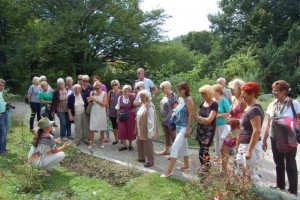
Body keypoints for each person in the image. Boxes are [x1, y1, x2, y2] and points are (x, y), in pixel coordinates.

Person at [263, 80, 299, 195]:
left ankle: (292, 190)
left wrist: (291, 125)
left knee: (290, 164)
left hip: (289, 138)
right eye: (273, 90)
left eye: (276, 90)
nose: (273, 92)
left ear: (284, 91)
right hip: (275, 137)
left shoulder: (294, 104)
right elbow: (268, 124)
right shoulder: (272, 104)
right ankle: (280, 184)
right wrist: (264, 140)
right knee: (278, 162)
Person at [161, 82, 194, 178]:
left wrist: (188, 128)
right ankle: (186, 165)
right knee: (184, 146)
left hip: (184, 127)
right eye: (178, 89)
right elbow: (178, 110)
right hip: (178, 126)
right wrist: (174, 114)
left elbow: (191, 115)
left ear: (185, 89)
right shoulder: (181, 99)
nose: (179, 91)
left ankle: (169, 171)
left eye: (181, 89)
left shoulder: (189, 100)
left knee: (175, 147)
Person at [237, 82, 264, 185]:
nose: (242, 95)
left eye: (244, 93)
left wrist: (249, 151)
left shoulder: (255, 110)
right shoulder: (248, 107)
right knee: (241, 171)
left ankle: (257, 194)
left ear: (252, 94)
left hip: (250, 145)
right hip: (244, 144)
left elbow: (256, 131)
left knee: (251, 174)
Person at [221, 78, 246, 172]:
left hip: (239, 131)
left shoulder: (243, 102)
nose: (230, 91)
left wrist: (234, 120)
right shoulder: (233, 99)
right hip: (232, 129)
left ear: (239, 89)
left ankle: (236, 173)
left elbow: (246, 119)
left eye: (232, 89)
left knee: (237, 153)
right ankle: (224, 171)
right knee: (223, 150)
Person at [195, 85, 218, 172]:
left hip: (208, 132)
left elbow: (209, 120)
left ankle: (204, 167)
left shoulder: (214, 104)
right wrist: (202, 120)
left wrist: (200, 119)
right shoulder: (202, 103)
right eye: (201, 93)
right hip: (200, 130)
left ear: (208, 94)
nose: (202, 95)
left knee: (202, 152)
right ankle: (207, 166)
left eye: (203, 94)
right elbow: (196, 116)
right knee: (205, 151)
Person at [135, 90, 159, 167]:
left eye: (143, 97)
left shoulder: (150, 106)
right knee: (139, 142)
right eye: (140, 97)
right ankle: (141, 157)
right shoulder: (143, 104)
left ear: (147, 97)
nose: (141, 98)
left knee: (148, 144)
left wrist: (150, 132)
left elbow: (151, 121)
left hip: (147, 129)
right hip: (140, 128)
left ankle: (150, 161)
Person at [159, 81, 178, 155]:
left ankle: (175, 152)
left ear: (167, 87)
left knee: (173, 136)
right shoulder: (165, 96)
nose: (162, 90)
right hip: (164, 120)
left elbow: (175, 108)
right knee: (167, 136)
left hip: (170, 120)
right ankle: (167, 150)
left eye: (162, 88)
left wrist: (173, 119)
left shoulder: (173, 95)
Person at [115, 85, 136, 151]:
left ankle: (130, 145)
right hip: (122, 116)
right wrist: (117, 118)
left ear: (129, 92)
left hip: (131, 116)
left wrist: (133, 111)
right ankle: (124, 145)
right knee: (122, 130)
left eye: (126, 91)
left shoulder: (133, 97)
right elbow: (118, 108)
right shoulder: (120, 98)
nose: (124, 93)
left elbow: (136, 105)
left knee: (130, 130)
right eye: (123, 91)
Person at [88, 81, 107, 149]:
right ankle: (91, 142)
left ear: (100, 87)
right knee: (92, 128)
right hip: (94, 112)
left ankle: (101, 142)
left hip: (101, 112)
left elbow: (104, 104)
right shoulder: (92, 93)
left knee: (102, 128)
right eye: (95, 88)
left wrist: (96, 100)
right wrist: (90, 99)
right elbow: (89, 101)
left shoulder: (104, 94)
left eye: (97, 88)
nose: (96, 89)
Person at [212, 84, 230, 157]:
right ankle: (217, 155)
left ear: (219, 91)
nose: (213, 92)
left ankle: (222, 155)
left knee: (221, 140)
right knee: (215, 140)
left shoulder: (224, 101)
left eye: (214, 91)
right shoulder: (212, 100)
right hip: (213, 124)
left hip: (222, 123)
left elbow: (228, 114)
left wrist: (218, 115)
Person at [92, 75, 110, 142]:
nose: (95, 81)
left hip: (102, 107)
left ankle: (107, 136)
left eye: (96, 80)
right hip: (96, 109)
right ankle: (101, 137)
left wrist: (107, 109)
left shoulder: (103, 86)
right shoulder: (93, 88)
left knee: (104, 123)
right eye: (93, 80)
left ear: (98, 80)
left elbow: (105, 99)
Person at [107, 80, 123, 145]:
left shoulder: (122, 92)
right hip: (112, 111)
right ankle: (116, 138)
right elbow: (108, 102)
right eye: (112, 85)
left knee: (121, 126)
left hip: (120, 111)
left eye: (115, 84)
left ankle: (122, 138)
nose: (114, 86)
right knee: (114, 126)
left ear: (118, 85)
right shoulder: (110, 92)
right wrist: (107, 110)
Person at [0, 79, 7, 156]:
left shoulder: (0, 93)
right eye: (0, 85)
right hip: (0, 114)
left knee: (4, 131)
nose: (1, 87)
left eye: (2, 85)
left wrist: (6, 104)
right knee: (3, 132)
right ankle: (2, 151)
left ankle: (3, 148)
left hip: (4, 113)